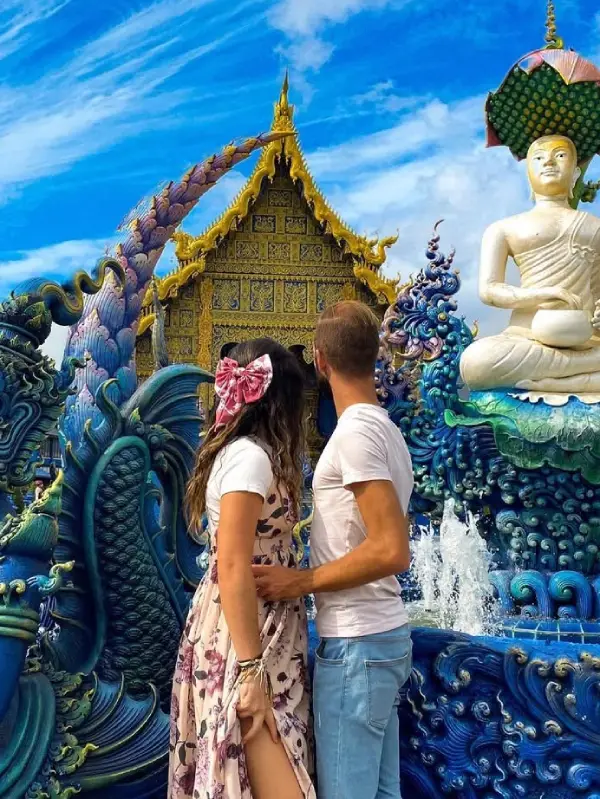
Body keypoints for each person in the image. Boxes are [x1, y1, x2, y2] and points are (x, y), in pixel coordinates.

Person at [253, 301, 413, 799]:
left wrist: (299, 582)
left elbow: (391, 549)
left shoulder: (358, 434)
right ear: (376, 358)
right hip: (380, 640)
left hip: (358, 644)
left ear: (319, 360)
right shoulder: (385, 429)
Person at [169, 338, 316, 799]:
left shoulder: (247, 454)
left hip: (260, 629)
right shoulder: (250, 458)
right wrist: (251, 671)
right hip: (244, 637)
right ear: (279, 403)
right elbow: (232, 562)